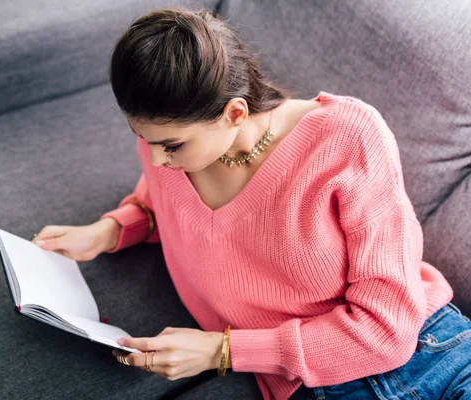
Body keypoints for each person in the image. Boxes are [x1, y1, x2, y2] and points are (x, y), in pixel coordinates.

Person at [32, 7, 471, 400]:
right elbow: (164, 206)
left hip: (434, 353)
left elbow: (389, 330)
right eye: (144, 140)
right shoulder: (165, 151)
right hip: (309, 387)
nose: (156, 160)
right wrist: (108, 231)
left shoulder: (348, 138)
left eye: (172, 145)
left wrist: (222, 351)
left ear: (235, 114)